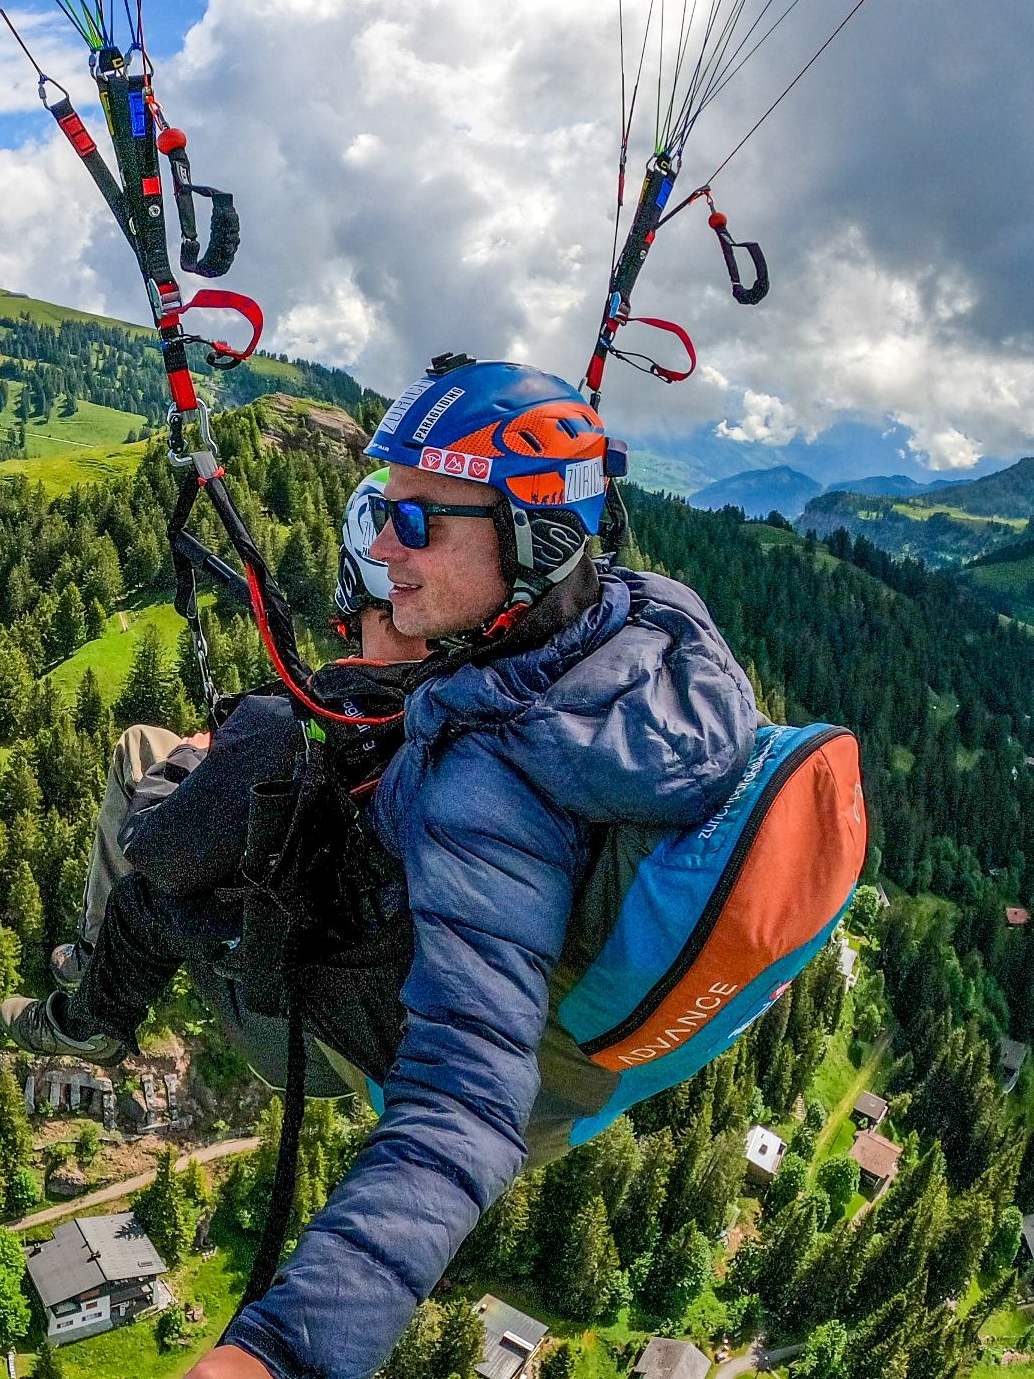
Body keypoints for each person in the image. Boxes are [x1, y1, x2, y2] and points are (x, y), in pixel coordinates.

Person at [183, 358, 760, 1379]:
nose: (382, 552)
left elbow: (464, 1103)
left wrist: (280, 1352)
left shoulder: (487, 778)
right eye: (381, 514)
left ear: (534, 539)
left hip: (404, 1034)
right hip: (571, 1055)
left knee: (163, 854)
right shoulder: (653, 620)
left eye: (415, 522)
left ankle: (80, 1012)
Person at [0, 465, 428, 1077]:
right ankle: (96, 961)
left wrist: (193, 759)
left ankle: (91, 1017)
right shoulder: (460, 707)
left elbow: (153, 847)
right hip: (396, 1001)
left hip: (301, 1026)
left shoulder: (298, 732)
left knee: (142, 762)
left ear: (354, 586)